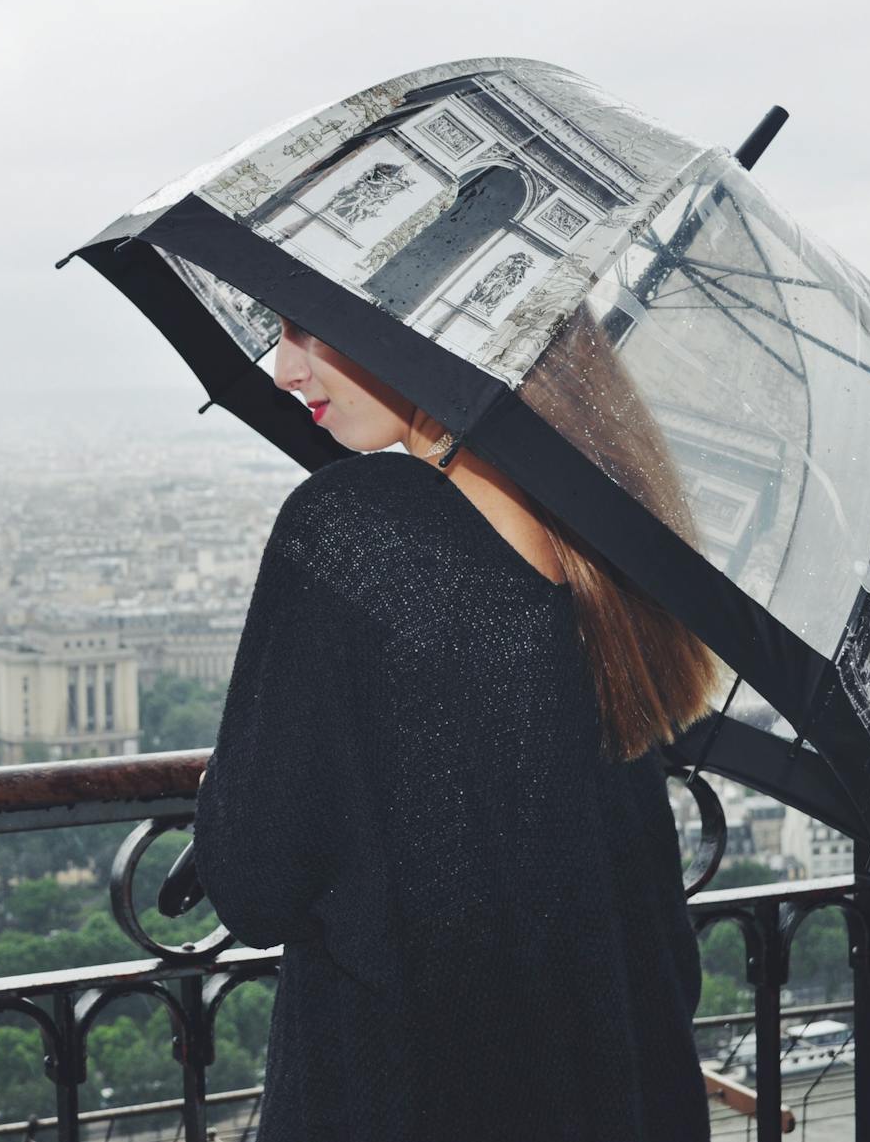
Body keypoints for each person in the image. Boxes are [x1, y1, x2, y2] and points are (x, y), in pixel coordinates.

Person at [193, 310, 716, 1140]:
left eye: (309, 326)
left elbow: (254, 885)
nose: (284, 369)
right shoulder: (606, 549)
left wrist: (236, 768)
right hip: (618, 1091)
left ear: (423, 321)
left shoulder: (356, 529)